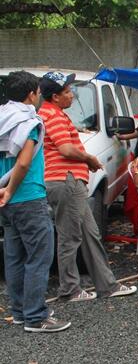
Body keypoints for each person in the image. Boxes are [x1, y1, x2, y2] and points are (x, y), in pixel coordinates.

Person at [38, 71, 137, 300]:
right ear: (55, 96)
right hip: (66, 180)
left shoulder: (53, 114)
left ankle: (107, 285)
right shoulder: (52, 115)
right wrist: (88, 159)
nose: (71, 95)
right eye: (67, 91)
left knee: (90, 234)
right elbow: (65, 149)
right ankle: (70, 289)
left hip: (70, 181)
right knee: (69, 237)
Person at [0, 71, 71, 333]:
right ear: (32, 94)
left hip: (6, 202)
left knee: (15, 256)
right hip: (28, 195)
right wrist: (11, 189)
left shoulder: (3, 116)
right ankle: (35, 316)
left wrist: (4, 191)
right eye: (38, 92)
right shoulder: (28, 121)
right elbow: (25, 161)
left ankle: (19, 312)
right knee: (39, 256)